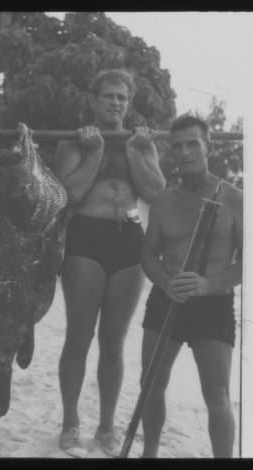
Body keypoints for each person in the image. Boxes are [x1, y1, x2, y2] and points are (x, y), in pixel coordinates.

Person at [54, 69, 165, 453]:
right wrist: (97, 152)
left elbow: (156, 192)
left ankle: (106, 426)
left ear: (128, 103)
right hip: (87, 236)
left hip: (129, 240)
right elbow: (68, 196)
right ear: (95, 99)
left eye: (121, 97)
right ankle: (70, 422)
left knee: (114, 342)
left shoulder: (141, 143)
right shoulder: (74, 143)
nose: (115, 103)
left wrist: (135, 152)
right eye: (108, 96)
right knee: (79, 336)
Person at [140, 114, 242, 458]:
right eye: (178, 145)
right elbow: (148, 255)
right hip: (166, 298)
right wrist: (167, 282)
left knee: (218, 397)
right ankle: (149, 453)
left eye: (193, 144)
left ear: (207, 147)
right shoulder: (164, 201)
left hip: (212, 305)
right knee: (150, 386)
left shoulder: (235, 199)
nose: (185, 152)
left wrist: (208, 284)